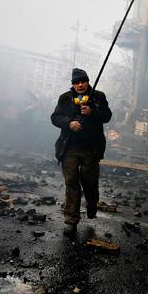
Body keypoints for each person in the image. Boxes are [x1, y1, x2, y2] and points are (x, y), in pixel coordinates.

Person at [50, 68, 112, 237]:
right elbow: (55, 117)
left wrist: (93, 113)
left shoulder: (98, 97)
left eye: (82, 81)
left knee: (90, 182)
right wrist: (69, 123)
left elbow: (107, 116)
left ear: (87, 81)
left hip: (91, 149)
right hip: (69, 148)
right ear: (73, 84)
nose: (80, 85)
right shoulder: (65, 98)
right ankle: (71, 220)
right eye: (76, 82)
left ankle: (92, 205)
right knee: (71, 183)